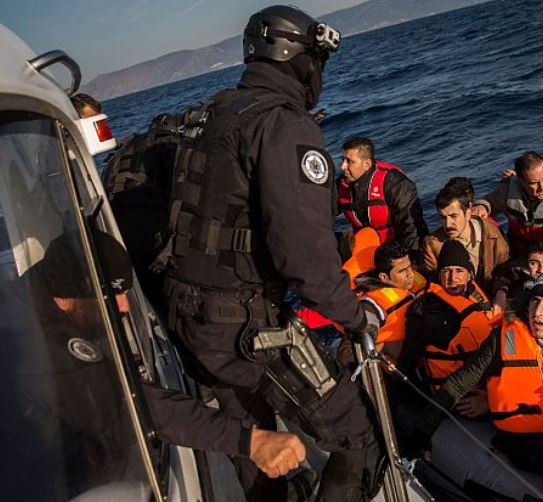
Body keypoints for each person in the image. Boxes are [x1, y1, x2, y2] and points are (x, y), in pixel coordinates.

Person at [162, 6, 383, 500]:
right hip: (243, 327)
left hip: (190, 317)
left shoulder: (212, 114)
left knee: (252, 433)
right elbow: (304, 261)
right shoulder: (283, 125)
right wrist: (355, 318)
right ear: (297, 58)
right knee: (358, 438)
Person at [37, 230, 310, 498]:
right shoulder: (44, 348)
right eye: (111, 297)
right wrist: (250, 441)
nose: (124, 307)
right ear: (64, 299)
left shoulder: (42, 286)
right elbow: (136, 405)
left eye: (124, 294)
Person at [415, 269, 543, 478]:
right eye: (535, 301)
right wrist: (423, 431)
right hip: (522, 435)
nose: (537, 312)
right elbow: (459, 384)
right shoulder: (504, 340)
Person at [399, 240, 494, 390]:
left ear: (469, 275)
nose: (452, 278)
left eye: (459, 271)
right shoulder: (426, 309)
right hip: (455, 393)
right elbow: (408, 358)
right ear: (439, 275)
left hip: (487, 380)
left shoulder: (474, 294)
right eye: (446, 271)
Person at [472, 150, 543, 260]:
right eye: (534, 183)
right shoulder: (508, 188)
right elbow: (488, 202)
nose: (542, 187)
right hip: (517, 253)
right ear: (521, 181)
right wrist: (481, 207)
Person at [336, 136, 429, 254]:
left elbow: (412, 228)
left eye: (349, 161)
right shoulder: (341, 186)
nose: (342, 166)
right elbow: (321, 213)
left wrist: (411, 259)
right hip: (363, 249)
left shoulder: (394, 183)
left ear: (367, 164)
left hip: (397, 250)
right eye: (342, 160)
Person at [421, 179, 509, 292]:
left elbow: (505, 272)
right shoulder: (432, 244)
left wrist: (501, 292)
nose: (448, 224)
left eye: (454, 216)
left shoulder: (493, 234)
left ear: (468, 213)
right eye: (442, 217)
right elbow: (433, 282)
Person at [356, 241, 428, 360]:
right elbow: (349, 349)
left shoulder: (416, 282)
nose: (410, 274)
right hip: (399, 365)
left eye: (410, 267)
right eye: (402, 271)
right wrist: (385, 347)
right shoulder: (373, 305)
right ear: (384, 277)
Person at [491, 240, 543, 315]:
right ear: (526, 264)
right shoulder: (520, 280)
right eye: (534, 263)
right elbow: (506, 275)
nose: (541, 270)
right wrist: (501, 292)